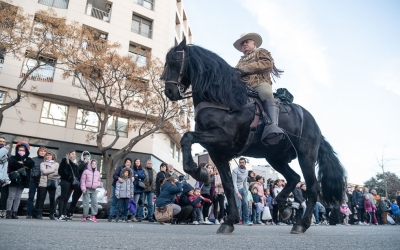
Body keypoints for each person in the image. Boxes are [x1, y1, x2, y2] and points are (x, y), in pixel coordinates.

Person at [234, 32, 284, 145]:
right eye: (242, 43)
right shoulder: (239, 62)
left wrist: (244, 69)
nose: (244, 44)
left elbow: (267, 64)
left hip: (259, 83)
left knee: (265, 92)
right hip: (243, 88)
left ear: (254, 43)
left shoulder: (261, 52)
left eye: (247, 42)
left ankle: (272, 126)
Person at [6, 141, 34, 219]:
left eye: (23, 150)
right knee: (11, 196)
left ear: (26, 151)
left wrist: (22, 163)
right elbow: (12, 164)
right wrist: (24, 165)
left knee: (18, 197)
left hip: (23, 180)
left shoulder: (29, 159)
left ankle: (15, 212)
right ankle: (8, 212)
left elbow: (31, 164)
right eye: (20, 149)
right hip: (14, 179)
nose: (21, 151)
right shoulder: (13, 157)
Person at [57, 149, 79, 221]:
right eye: (72, 154)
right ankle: (60, 215)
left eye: (74, 154)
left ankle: (64, 214)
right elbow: (61, 171)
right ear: (69, 154)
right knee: (63, 198)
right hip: (65, 181)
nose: (73, 155)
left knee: (67, 199)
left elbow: (77, 173)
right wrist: (69, 176)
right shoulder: (65, 161)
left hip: (72, 183)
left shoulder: (75, 163)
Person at [68, 151, 90, 219]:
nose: (85, 157)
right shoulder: (80, 162)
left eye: (87, 156)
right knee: (75, 199)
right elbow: (78, 169)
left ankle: (86, 215)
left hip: (87, 184)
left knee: (86, 200)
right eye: (84, 155)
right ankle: (70, 212)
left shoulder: (90, 163)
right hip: (79, 183)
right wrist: (84, 163)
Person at [37, 151, 59, 220]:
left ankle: (52, 214)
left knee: (52, 199)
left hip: (52, 182)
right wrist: (52, 170)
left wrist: (48, 172)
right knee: (41, 199)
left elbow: (57, 173)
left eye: (50, 155)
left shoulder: (56, 164)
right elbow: (43, 171)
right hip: (43, 182)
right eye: (47, 155)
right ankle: (39, 213)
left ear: (53, 156)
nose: (48, 157)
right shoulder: (42, 163)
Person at [27, 146, 47, 219]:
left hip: (42, 181)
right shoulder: (33, 159)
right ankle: (29, 213)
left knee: (40, 198)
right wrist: (32, 175)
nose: (42, 152)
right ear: (38, 152)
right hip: (33, 180)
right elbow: (29, 169)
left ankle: (37, 213)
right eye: (41, 151)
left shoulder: (46, 161)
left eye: (44, 151)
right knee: (31, 197)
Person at [232, 158, 252, 226]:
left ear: (245, 163)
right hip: (236, 189)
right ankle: (239, 219)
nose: (241, 164)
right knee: (238, 205)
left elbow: (245, 182)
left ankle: (247, 220)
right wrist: (237, 193)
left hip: (242, 188)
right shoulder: (235, 170)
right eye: (240, 162)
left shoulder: (246, 171)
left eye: (243, 162)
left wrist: (246, 190)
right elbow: (234, 182)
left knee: (245, 204)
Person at [0, 143, 10, 218]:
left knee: (4, 196)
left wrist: (6, 179)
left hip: (3, 180)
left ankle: (2, 210)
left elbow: (6, 171)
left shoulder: (6, 161)